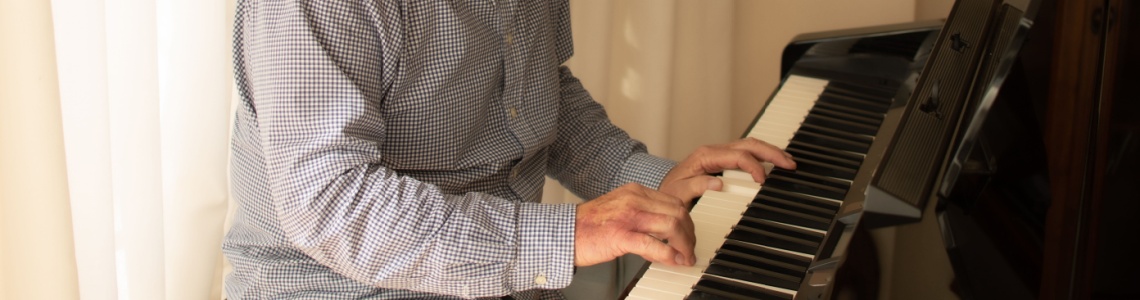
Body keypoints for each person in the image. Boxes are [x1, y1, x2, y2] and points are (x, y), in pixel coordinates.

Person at [222, 0, 795, 299]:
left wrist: (644, 179)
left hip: (510, 278)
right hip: (343, 290)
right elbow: (331, 203)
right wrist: (570, 234)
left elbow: (538, 93)